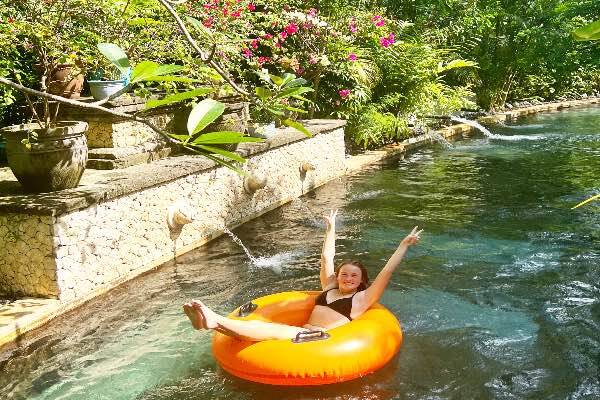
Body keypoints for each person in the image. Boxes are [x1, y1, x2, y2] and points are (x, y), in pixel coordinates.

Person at [183, 209, 422, 341]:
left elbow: (386, 272)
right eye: (344, 273)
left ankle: (214, 320)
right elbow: (327, 258)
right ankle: (208, 324)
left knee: (272, 331)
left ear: (361, 282)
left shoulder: (361, 300)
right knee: (262, 327)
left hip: (315, 337)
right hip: (303, 331)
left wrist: (403, 245)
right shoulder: (329, 287)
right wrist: (331, 229)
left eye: (354, 276)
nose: (348, 278)